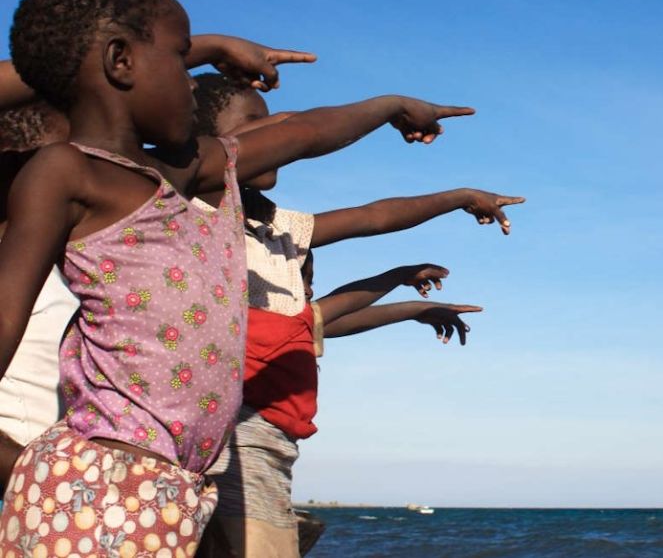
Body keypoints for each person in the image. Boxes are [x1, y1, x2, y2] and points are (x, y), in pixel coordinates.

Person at [0, 0, 474, 554]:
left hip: (175, 494)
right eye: (179, 57)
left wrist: (390, 106)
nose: (189, 79)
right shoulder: (65, 173)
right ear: (120, 61)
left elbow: (301, 132)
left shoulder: (188, 171)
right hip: (91, 494)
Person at [191, 75, 523, 556]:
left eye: (274, 124)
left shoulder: (280, 227)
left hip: (274, 444)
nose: (275, 137)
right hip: (233, 435)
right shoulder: (192, 214)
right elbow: (303, 131)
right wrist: (393, 106)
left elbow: (373, 218)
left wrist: (456, 200)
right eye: (256, 127)